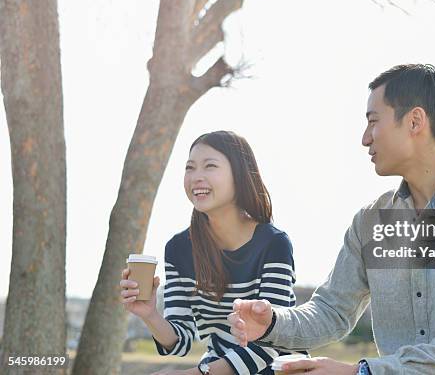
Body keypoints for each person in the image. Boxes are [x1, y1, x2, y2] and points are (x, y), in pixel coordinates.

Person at [229, 64, 435, 374]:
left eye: (373, 122)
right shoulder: (369, 223)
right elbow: (332, 310)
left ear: (415, 121)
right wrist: (272, 322)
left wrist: (361, 372)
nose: (365, 138)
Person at [120, 131, 305, 375]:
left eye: (210, 166)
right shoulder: (178, 249)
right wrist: (150, 315)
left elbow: (269, 344)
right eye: (190, 168)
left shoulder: (274, 244)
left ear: (238, 175)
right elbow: (181, 340)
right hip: (215, 367)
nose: (197, 177)